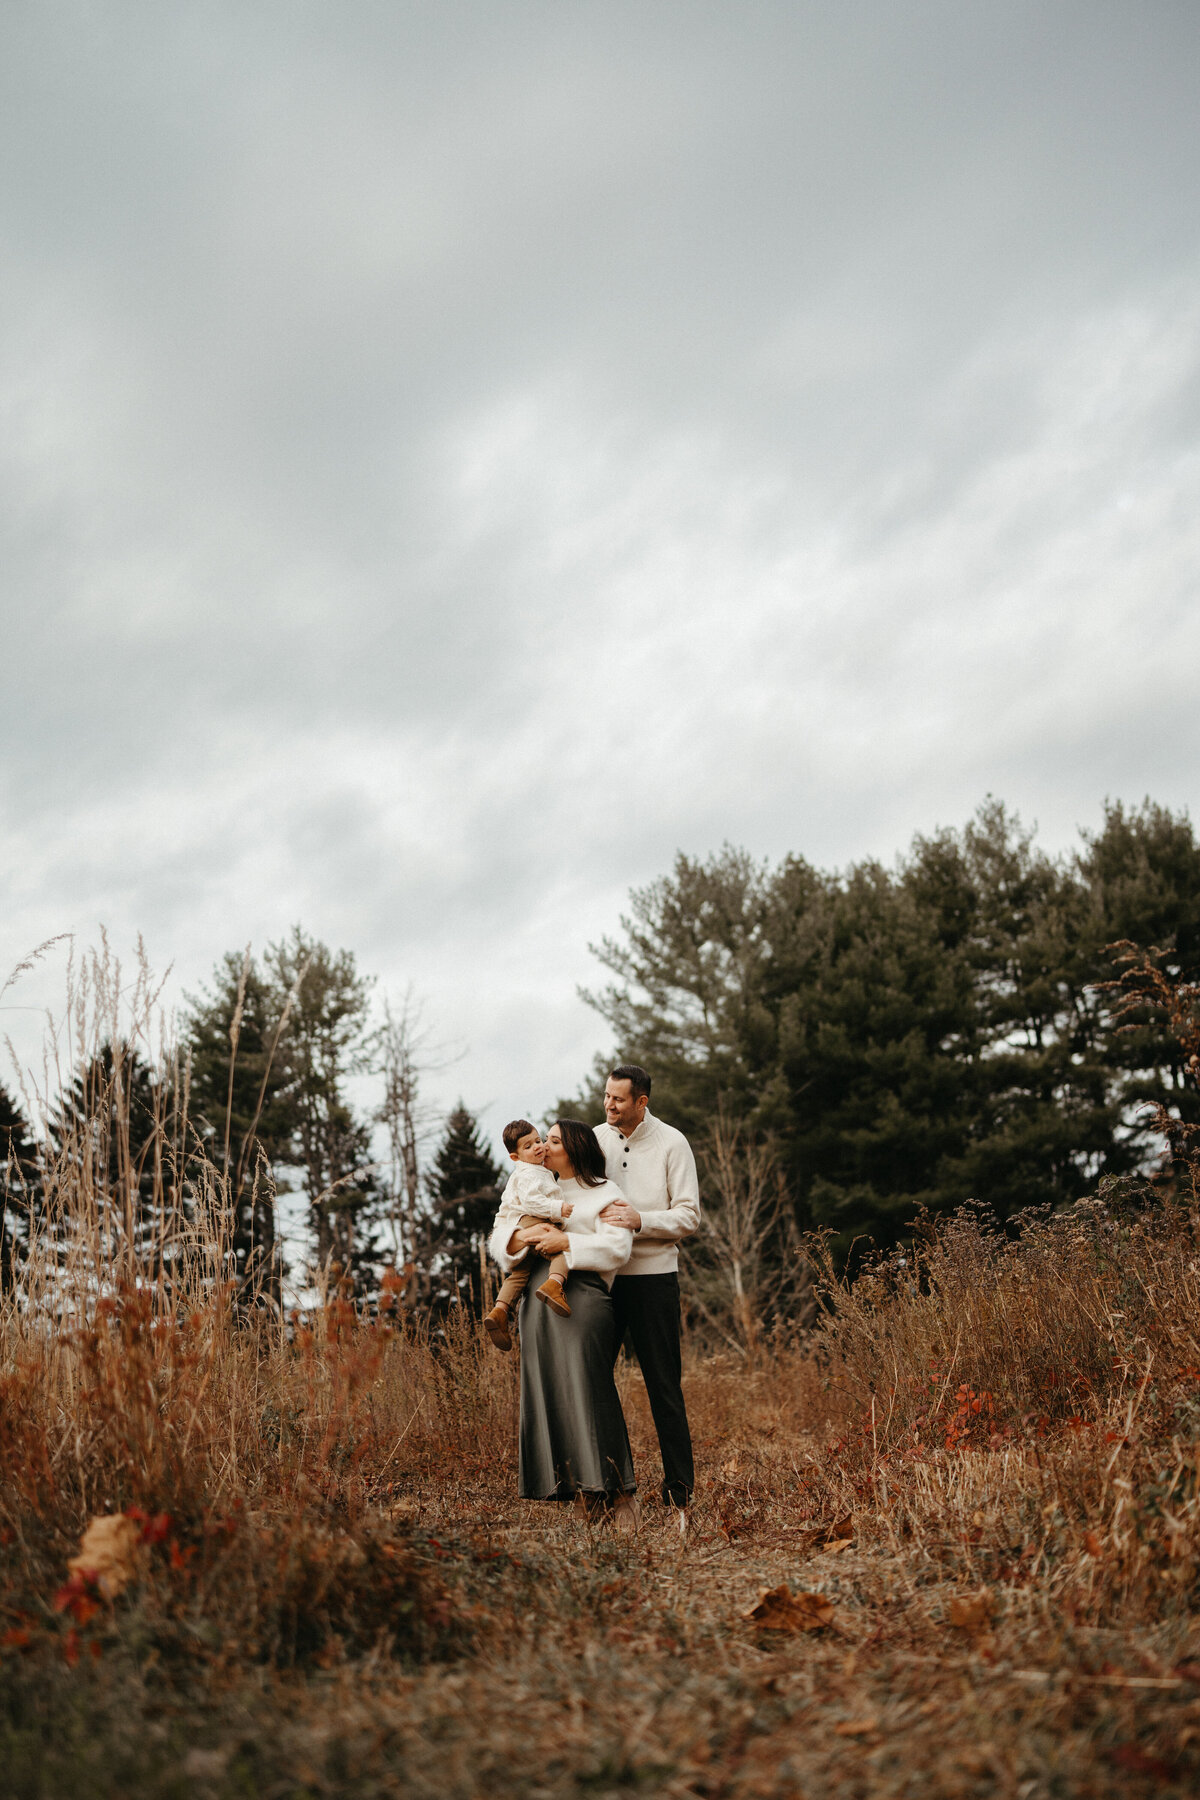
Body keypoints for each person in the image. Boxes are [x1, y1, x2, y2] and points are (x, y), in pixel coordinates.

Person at [489, 1118, 638, 1522]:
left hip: (582, 1298)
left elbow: (616, 1250)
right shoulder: (530, 1184)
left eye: (551, 1140)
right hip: (536, 1303)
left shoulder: (605, 1192)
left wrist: (565, 1241)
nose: (542, 1147)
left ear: (573, 1147)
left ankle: (621, 1497)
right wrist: (519, 1238)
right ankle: (582, 1495)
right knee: (552, 1395)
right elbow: (500, 1241)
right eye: (540, 1141)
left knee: (591, 1393)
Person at [595, 1064, 700, 1520]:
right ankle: (608, 1486)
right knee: (594, 1382)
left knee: (663, 1386)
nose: (609, 1105)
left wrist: (642, 1220)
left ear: (642, 1101)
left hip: (655, 1280)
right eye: (606, 1096)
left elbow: (689, 1216)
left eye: (618, 1098)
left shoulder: (672, 1143)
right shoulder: (594, 1140)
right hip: (602, 1280)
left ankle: (679, 1491)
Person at [482, 1120, 574, 1351]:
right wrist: (557, 1208)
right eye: (527, 1146)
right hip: (533, 1220)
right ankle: (554, 1284)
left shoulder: (531, 1170)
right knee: (563, 1249)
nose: (537, 1147)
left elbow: (511, 1206)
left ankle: (500, 1310)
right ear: (515, 1157)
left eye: (537, 1140)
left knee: (520, 1273)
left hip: (519, 1224)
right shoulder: (529, 1173)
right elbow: (532, 1202)